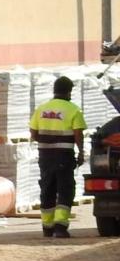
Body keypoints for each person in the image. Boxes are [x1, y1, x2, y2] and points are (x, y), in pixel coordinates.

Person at [30, 75, 87, 238]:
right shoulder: (73, 109)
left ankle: (47, 227)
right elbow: (78, 134)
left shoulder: (41, 109)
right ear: (69, 92)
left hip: (45, 155)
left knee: (47, 188)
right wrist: (81, 152)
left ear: (54, 90)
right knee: (65, 189)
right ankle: (60, 227)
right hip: (64, 155)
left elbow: (33, 134)